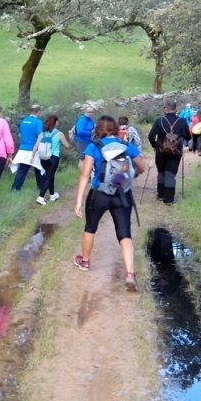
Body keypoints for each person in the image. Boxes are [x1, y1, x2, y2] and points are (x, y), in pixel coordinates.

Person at [74, 115, 145, 291]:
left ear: (98, 130)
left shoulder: (93, 147)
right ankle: (130, 273)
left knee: (90, 227)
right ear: (115, 128)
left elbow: (84, 174)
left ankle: (85, 262)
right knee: (125, 234)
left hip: (99, 194)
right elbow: (141, 167)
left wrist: (78, 202)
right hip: (122, 194)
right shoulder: (126, 146)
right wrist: (132, 176)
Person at [147, 100, 190, 205]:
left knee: (161, 172)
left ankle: (161, 194)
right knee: (170, 174)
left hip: (161, 150)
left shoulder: (159, 121)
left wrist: (155, 145)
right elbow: (188, 137)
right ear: (176, 110)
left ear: (166, 109)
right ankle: (169, 199)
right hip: (176, 152)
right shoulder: (182, 121)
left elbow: (151, 136)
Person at [36, 115, 71, 205]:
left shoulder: (42, 133)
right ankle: (41, 197)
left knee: (50, 176)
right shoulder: (59, 134)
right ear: (55, 123)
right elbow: (67, 146)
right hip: (53, 157)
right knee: (49, 177)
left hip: (43, 157)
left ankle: (52, 195)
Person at [10, 104, 45, 191]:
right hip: (32, 149)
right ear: (39, 112)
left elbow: (20, 135)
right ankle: (41, 188)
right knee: (38, 168)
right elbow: (39, 137)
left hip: (23, 149)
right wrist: (33, 153)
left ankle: (15, 188)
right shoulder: (38, 122)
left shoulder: (23, 121)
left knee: (22, 169)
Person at [73, 106, 95, 173]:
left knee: (88, 157)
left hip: (89, 141)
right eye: (89, 112)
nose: (90, 113)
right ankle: (83, 175)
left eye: (92, 112)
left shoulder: (91, 120)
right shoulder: (82, 120)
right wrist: (91, 133)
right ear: (85, 112)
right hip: (81, 141)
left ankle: (88, 174)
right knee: (82, 158)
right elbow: (79, 131)